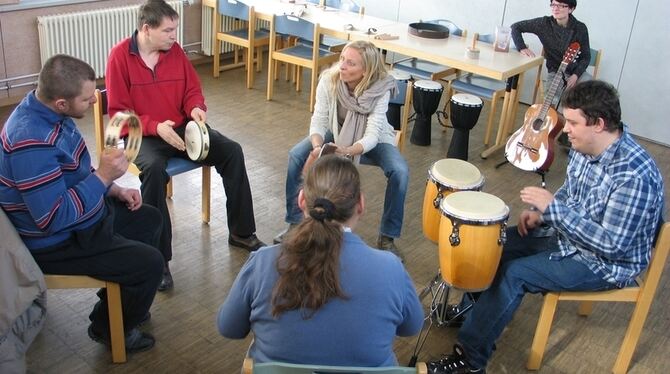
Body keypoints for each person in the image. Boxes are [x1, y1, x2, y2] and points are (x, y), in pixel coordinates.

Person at [427, 80, 665, 374]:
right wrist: (541, 214)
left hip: (604, 262)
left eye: (573, 122)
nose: (565, 129)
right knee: (493, 245)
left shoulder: (633, 175)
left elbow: (613, 245)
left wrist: (554, 210)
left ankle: (471, 360)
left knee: (515, 274)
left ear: (599, 124)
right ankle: (474, 314)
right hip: (569, 236)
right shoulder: (585, 145)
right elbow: (571, 192)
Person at [0, 55, 165, 354]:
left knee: (149, 219)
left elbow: (75, 169)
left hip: (79, 220)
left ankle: (121, 301)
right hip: (55, 242)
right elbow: (52, 219)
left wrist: (113, 189)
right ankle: (109, 329)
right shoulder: (30, 141)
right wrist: (102, 178)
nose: (94, 103)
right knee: (150, 264)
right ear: (62, 103)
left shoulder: (51, 114)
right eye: (88, 98)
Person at [105, 0, 266, 291]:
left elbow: (192, 89)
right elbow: (118, 115)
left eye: (175, 29)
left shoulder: (175, 51)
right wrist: (155, 127)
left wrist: (195, 108)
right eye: (168, 30)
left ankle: (242, 232)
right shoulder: (118, 56)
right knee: (154, 170)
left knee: (232, 150)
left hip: (180, 128)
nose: (174, 36)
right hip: (141, 134)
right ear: (146, 29)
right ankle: (159, 258)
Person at [218, 155, 423, 366]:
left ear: (301, 201)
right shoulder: (391, 269)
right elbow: (411, 327)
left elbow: (229, 327)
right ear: (360, 204)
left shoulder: (262, 263)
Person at [275, 40, 409, 260]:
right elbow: (318, 120)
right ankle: (294, 223)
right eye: (342, 60)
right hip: (335, 131)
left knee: (400, 171)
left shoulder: (381, 88)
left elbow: (373, 134)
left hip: (372, 139)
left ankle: (387, 237)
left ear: (365, 70)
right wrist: (319, 147)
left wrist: (348, 150)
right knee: (296, 155)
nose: (342, 66)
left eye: (350, 63)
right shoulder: (330, 80)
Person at [511, 0, 590, 105]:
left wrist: (576, 75)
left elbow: (586, 57)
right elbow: (516, 27)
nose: (555, 8)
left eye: (561, 6)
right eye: (553, 5)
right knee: (551, 103)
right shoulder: (544, 23)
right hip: (555, 70)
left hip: (575, 71)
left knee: (589, 97)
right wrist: (522, 47)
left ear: (571, 9)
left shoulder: (580, 28)